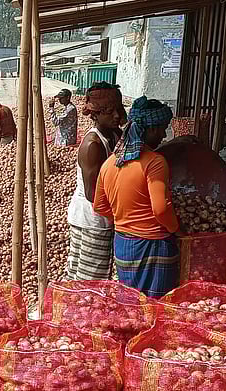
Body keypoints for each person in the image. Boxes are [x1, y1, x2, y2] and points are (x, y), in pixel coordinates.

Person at [92, 96, 180, 298]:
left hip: (124, 244)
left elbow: (99, 206)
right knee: (156, 305)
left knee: (132, 304)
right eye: (162, 129)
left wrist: (125, 219)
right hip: (153, 245)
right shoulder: (155, 162)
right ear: (151, 129)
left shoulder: (110, 163)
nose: (163, 135)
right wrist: (176, 228)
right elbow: (161, 209)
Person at [65, 83, 125, 282]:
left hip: (100, 216)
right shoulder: (93, 145)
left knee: (84, 276)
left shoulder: (115, 135)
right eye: (109, 112)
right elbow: (93, 195)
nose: (116, 116)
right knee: (90, 279)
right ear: (96, 114)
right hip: (92, 219)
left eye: (118, 109)